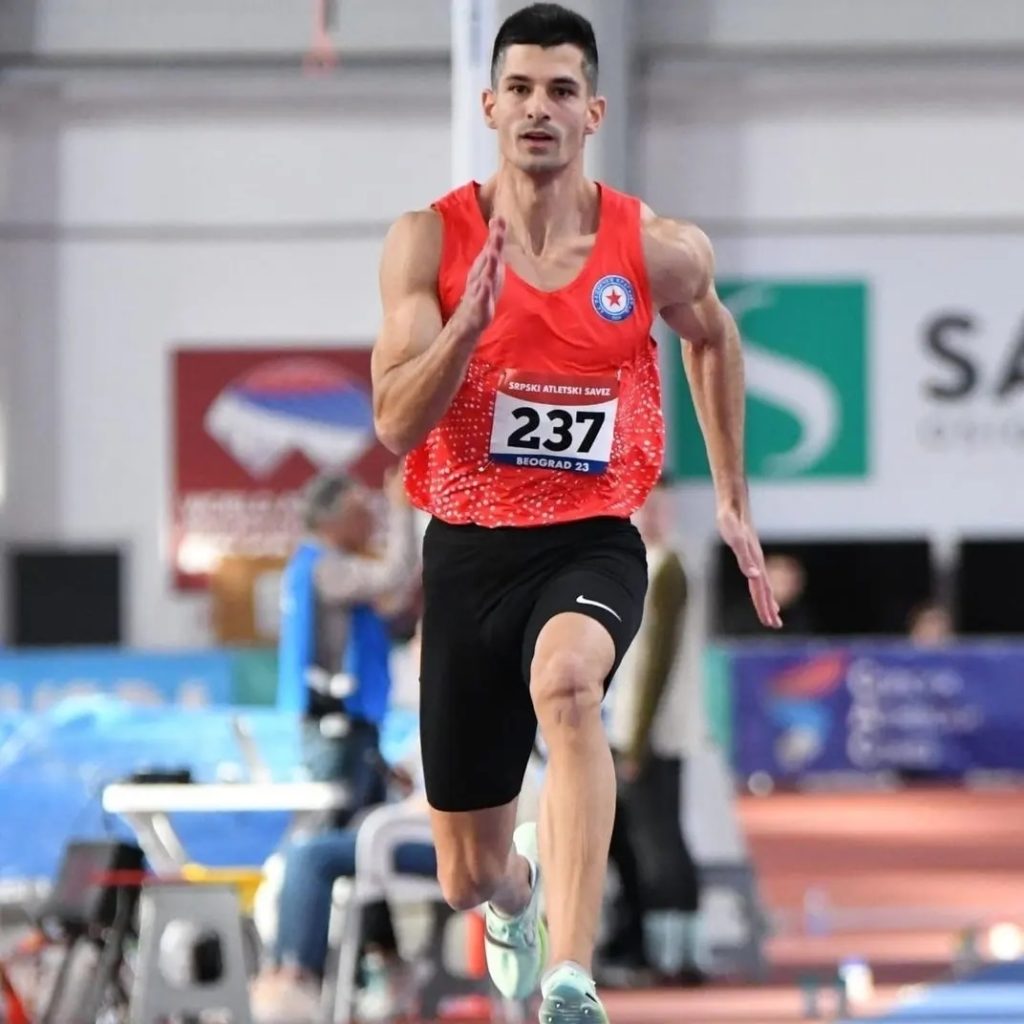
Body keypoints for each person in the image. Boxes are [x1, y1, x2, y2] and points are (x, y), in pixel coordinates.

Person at [371, 4, 782, 1020]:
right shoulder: (428, 240)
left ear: (593, 112)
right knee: (465, 875)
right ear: (489, 106)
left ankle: (571, 969)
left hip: (590, 539)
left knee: (568, 686)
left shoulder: (654, 248)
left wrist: (732, 494)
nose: (538, 109)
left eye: (560, 90)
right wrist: (463, 331)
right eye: (519, 89)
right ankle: (516, 892)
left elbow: (712, 338)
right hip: (467, 551)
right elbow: (393, 421)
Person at [604, 476, 703, 986]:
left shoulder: (665, 569)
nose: (648, 517)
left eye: (656, 508)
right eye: (642, 508)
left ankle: (671, 954)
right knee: (652, 841)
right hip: (647, 732)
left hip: (652, 736)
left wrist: (636, 742)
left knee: (656, 844)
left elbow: (655, 666)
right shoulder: (649, 566)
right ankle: (669, 949)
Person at [277, 467, 417, 817]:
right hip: (337, 726)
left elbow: (394, 597)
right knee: (333, 826)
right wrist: (402, 509)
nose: (370, 521)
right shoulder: (326, 569)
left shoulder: (317, 568)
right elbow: (393, 574)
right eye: (361, 511)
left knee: (361, 824)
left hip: (351, 725)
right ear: (331, 519)